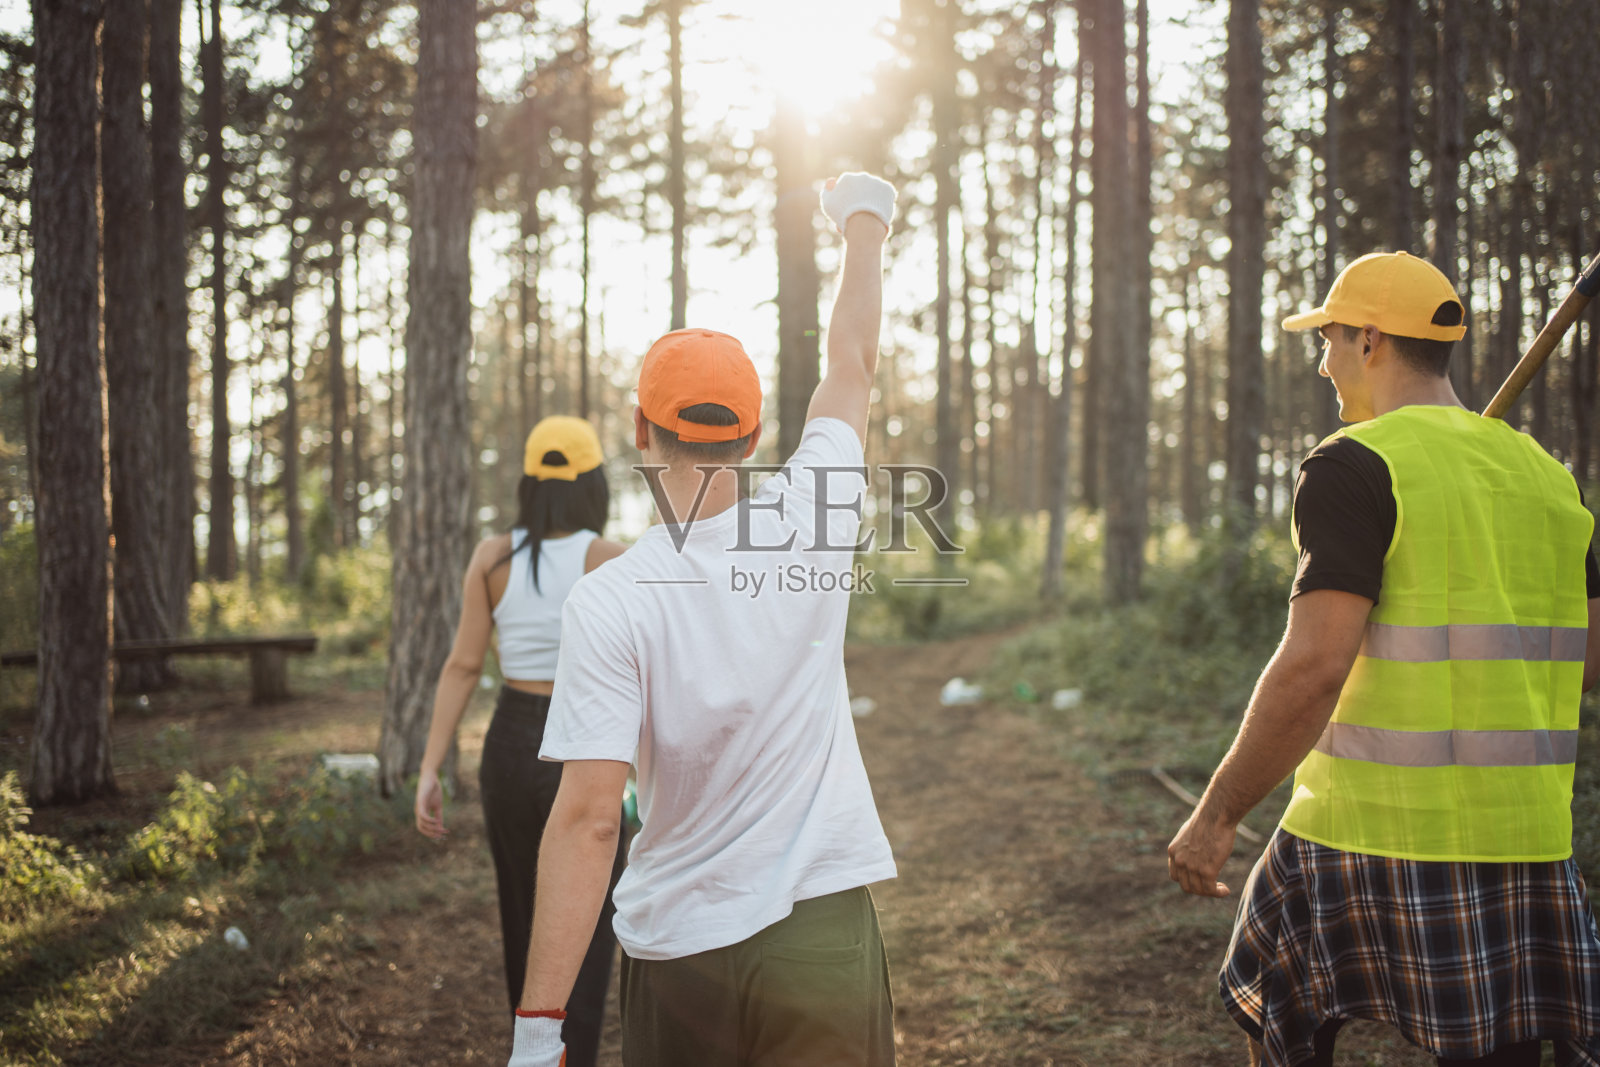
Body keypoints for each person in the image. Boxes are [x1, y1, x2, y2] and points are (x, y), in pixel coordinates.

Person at [504, 172, 900, 1067]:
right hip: (823, 929)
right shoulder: (815, 510)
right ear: (756, 437)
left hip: (681, 948)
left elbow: (590, 820)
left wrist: (538, 1029)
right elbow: (853, 365)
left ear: (640, 433)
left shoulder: (608, 599)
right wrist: (863, 223)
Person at [1167, 250, 1600, 1067]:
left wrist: (1217, 813)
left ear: (1369, 340)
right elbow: (1585, 661)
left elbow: (1315, 666)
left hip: (1362, 826)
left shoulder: (1352, 464)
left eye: (1327, 339)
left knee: (1277, 1007)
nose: (1323, 362)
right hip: (1527, 840)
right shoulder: (1550, 480)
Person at [414, 415, 629, 1067]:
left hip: (508, 743)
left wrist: (431, 767)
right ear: (593, 481)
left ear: (529, 482)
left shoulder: (491, 556)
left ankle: (532, 1051)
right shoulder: (608, 557)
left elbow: (461, 665)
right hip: (584, 742)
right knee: (587, 920)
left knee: (525, 915)